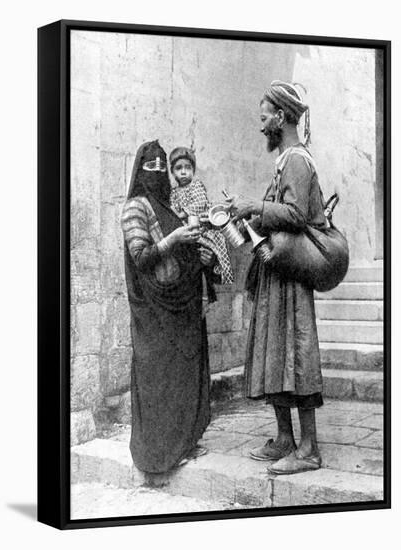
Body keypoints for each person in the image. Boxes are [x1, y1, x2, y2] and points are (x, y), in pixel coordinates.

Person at [230, 81, 327, 475]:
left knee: (298, 354)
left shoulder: (298, 161)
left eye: (265, 116)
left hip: (292, 274)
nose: (262, 125)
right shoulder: (285, 160)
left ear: (282, 117)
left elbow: (297, 215)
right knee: (275, 353)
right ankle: (285, 439)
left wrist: (255, 205)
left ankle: (309, 449)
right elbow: (280, 212)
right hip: (277, 272)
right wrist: (248, 214)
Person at [121, 140, 218, 474]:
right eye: (152, 168)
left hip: (181, 305)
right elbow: (142, 258)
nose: (160, 173)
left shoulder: (171, 204)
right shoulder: (135, 207)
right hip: (154, 311)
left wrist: (201, 257)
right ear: (140, 170)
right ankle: (159, 454)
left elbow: (181, 254)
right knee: (160, 377)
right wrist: (175, 240)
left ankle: (184, 441)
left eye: (164, 167)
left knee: (182, 374)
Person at [169, 146, 234, 285]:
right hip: (185, 229)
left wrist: (183, 212)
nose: (184, 172)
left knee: (215, 249)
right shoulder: (174, 192)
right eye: (178, 168)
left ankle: (221, 272)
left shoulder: (196, 186)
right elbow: (172, 209)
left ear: (193, 170)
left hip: (201, 226)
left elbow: (200, 203)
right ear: (173, 173)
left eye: (188, 168)